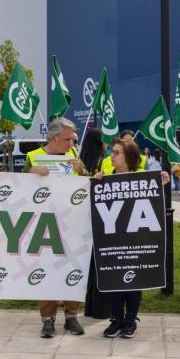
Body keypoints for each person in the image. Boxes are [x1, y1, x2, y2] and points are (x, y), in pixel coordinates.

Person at [95, 138, 171, 338]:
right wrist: (95, 182)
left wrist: (160, 180)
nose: (111, 156)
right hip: (113, 241)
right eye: (112, 152)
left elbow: (153, 198)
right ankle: (116, 319)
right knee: (114, 279)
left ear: (127, 157)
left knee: (134, 280)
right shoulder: (105, 178)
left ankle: (130, 320)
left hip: (136, 241)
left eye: (116, 153)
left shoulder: (142, 178)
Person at [26, 117, 85, 337]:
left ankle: (72, 316)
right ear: (54, 137)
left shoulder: (74, 156)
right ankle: (48, 319)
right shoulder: (33, 157)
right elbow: (15, 186)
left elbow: (88, 183)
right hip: (43, 224)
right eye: (68, 139)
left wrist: (81, 170)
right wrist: (31, 173)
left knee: (73, 268)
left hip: (71, 223)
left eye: (73, 139)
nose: (72, 143)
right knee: (46, 269)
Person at [78, 128, 111, 321]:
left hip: (82, 218)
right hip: (100, 218)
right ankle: (100, 310)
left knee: (90, 265)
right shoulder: (103, 164)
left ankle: (89, 307)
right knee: (100, 264)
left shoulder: (79, 162)